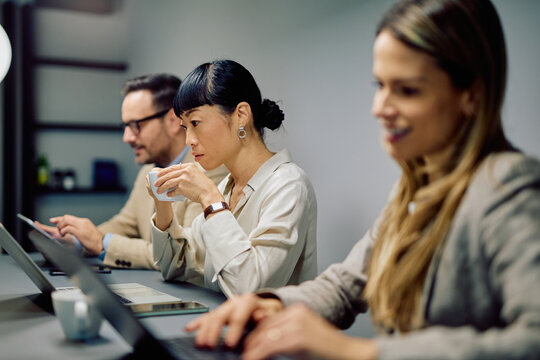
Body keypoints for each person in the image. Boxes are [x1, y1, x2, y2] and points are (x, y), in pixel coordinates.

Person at [182, 1, 540, 359]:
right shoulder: (415, 189)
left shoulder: (509, 188)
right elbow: (344, 286)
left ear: (471, 95)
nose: (379, 107)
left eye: (407, 90)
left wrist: (362, 352)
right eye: (380, 85)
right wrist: (271, 303)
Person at [149, 60, 318, 297]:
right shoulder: (226, 187)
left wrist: (209, 198)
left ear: (241, 115)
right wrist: (162, 203)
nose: (189, 140)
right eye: (185, 127)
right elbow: (174, 268)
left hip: (270, 332)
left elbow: (251, 289)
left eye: (195, 122)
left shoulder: (289, 185)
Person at [36, 74, 229, 270]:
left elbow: (186, 255)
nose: (127, 137)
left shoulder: (209, 171)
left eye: (136, 125)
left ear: (172, 120)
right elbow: (125, 224)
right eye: (125, 126)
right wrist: (76, 240)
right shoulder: (148, 169)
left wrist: (101, 243)